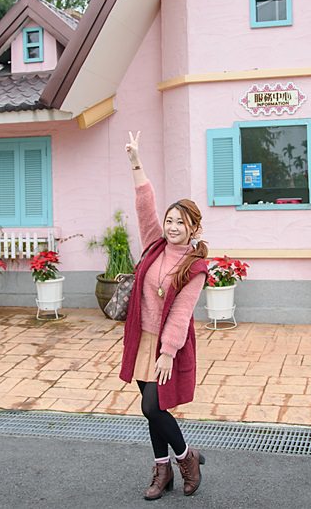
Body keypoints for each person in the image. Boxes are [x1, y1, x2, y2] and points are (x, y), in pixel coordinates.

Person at [119, 130, 209, 500]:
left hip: (167, 344)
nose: (172, 227)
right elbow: (145, 205)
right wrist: (136, 161)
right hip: (142, 336)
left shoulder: (196, 265)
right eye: (170, 221)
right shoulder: (155, 243)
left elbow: (182, 311)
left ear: (193, 228)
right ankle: (162, 470)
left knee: (153, 405)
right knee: (151, 411)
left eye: (180, 223)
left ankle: (186, 459)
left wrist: (168, 352)